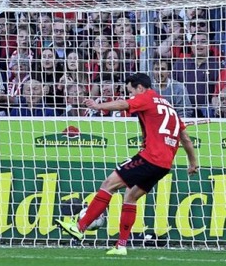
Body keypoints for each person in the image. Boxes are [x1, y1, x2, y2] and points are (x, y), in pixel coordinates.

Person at [55, 73, 199, 256]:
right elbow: (185, 138)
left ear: (140, 87)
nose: (131, 95)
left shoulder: (147, 97)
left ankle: (79, 226)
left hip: (150, 157)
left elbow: (124, 105)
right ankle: (121, 245)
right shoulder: (168, 106)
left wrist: (98, 105)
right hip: (164, 164)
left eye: (131, 91)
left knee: (108, 185)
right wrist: (193, 163)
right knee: (130, 197)